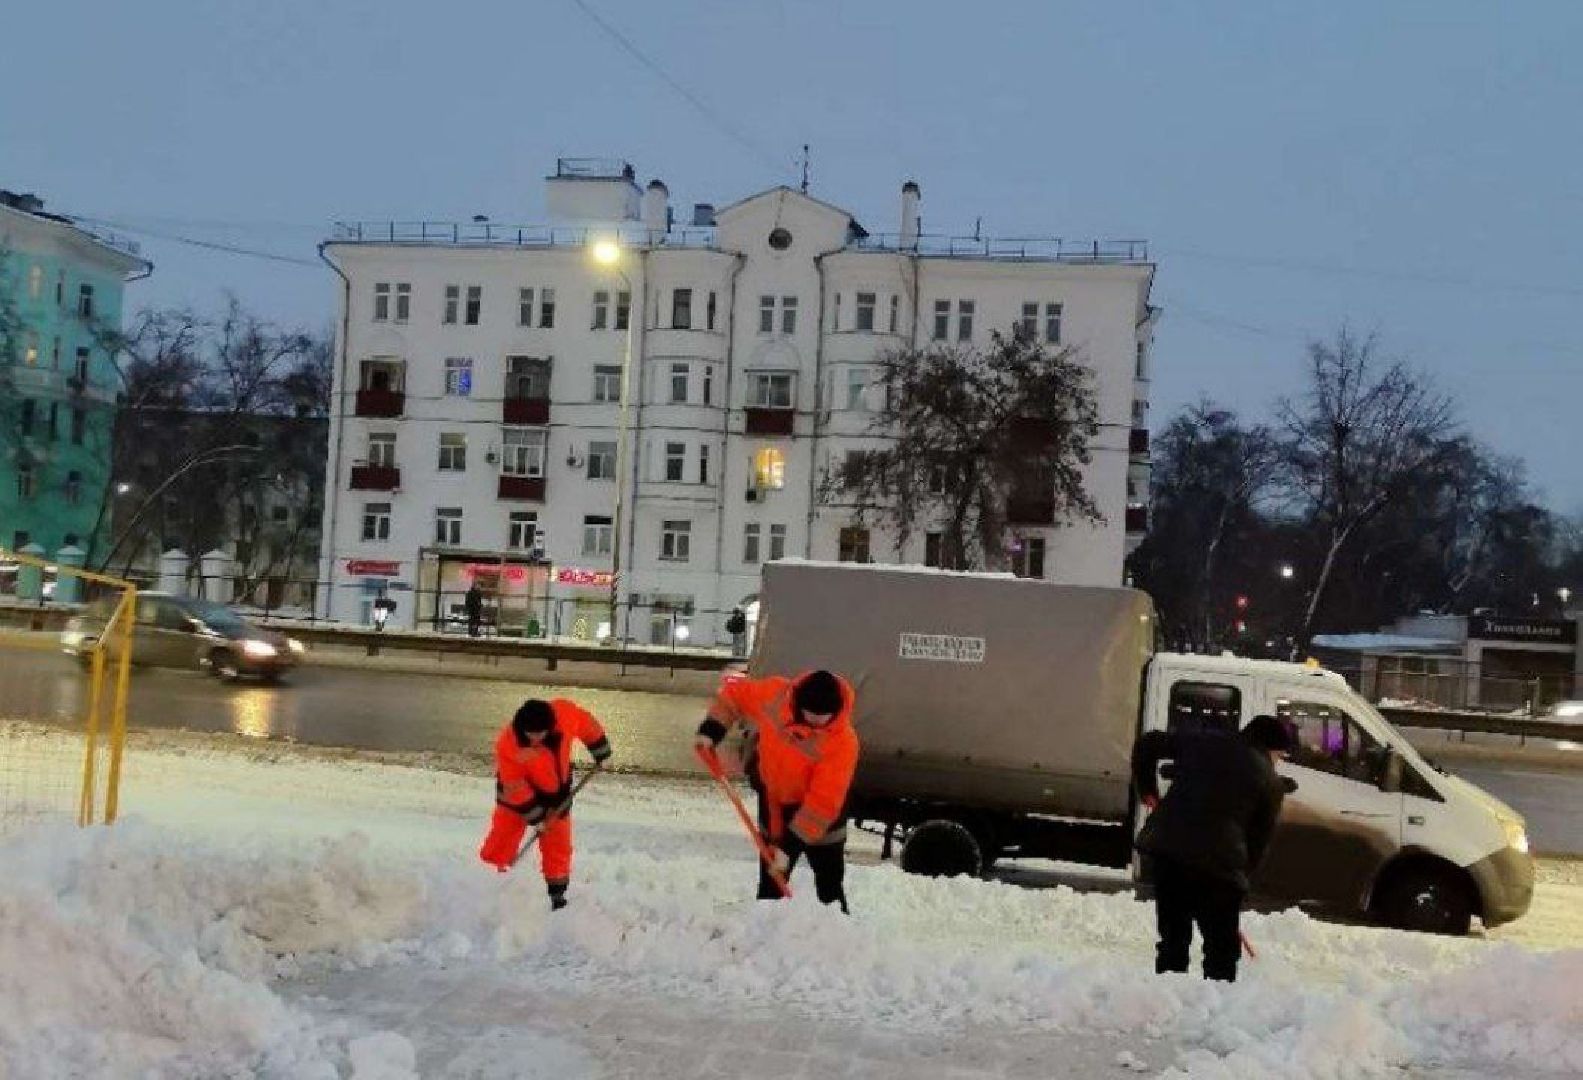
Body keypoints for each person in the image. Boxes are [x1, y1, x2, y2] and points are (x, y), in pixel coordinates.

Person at [1131, 713, 1293, 982]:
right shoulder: (1270, 782)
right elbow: (1258, 842)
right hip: (1219, 870)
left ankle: (1168, 998)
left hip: (1171, 855)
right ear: (1271, 748)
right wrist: (1242, 880)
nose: (1278, 762)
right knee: (1221, 951)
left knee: (1173, 940)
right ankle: (1216, 1006)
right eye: (1280, 755)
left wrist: (1147, 790)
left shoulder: (1202, 742)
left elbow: (1147, 744)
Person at [695, 669, 860, 911]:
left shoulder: (843, 743)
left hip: (822, 817)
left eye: (822, 717)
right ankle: (767, 929)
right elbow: (734, 697)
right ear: (798, 702)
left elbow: (822, 803)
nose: (815, 721)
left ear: (835, 712)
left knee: (829, 884)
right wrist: (711, 731)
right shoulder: (776, 696)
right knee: (771, 880)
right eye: (810, 714)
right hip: (774, 805)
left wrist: (789, 847)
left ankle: (835, 934)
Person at [479, 698, 613, 910]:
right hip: (515, 800)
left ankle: (557, 894)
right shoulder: (508, 744)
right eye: (529, 734)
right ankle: (485, 879)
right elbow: (514, 784)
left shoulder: (565, 715)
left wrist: (600, 749)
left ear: (549, 728)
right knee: (503, 838)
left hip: (556, 797)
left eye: (538, 733)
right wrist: (536, 816)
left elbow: (586, 723)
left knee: (558, 845)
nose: (534, 738)